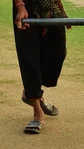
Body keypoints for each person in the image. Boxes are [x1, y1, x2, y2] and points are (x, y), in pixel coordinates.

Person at [13, 0, 68, 134]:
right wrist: (20, 6)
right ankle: (37, 110)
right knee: (29, 57)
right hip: (27, 6)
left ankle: (32, 94)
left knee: (58, 52)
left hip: (51, 5)